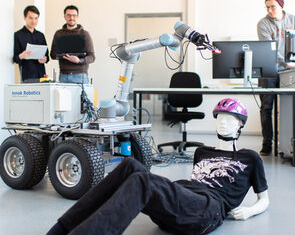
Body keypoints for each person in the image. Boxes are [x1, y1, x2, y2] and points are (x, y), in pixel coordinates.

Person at [47, 98, 269, 235]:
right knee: (129, 166)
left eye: (230, 119)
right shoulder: (202, 151)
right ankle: (62, 228)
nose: (223, 122)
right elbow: (193, 185)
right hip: (185, 199)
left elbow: (264, 199)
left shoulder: (249, 157)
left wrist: (249, 211)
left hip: (208, 209)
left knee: (142, 182)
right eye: (220, 117)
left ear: (241, 124)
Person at [257, 0, 295, 155]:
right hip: (268, 70)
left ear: (281, 6)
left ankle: (288, 143)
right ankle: (267, 144)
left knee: (289, 107)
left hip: (290, 71)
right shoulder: (263, 24)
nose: (270, 10)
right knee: (266, 108)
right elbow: (270, 49)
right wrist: (286, 62)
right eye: (267, 7)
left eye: (273, 7)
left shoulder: (293, 20)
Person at [50, 5, 95, 83]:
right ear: (65, 17)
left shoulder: (85, 34)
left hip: (80, 76)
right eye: (68, 15)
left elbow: (92, 57)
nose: (71, 18)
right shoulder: (59, 34)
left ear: (77, 17)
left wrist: (79, 61)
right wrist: (62, 55)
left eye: (74, 15)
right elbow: (52, 55)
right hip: (63, 75)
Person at [13, 5, 49, 82]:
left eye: (36, 18)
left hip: (41, 75)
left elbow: (47, 56)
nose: (33, 21)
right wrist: (21, 56)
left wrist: (45, 59)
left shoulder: (41, 35)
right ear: (25, 18)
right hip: (27, 76)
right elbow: (14, 58)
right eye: (30, 18)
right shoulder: (17, 35)